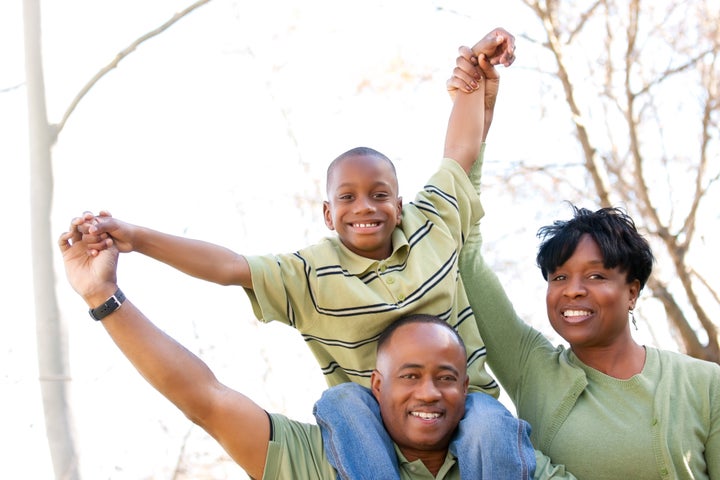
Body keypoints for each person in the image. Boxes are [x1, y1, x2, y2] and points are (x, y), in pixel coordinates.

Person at [74, 28, 539, 479]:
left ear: (399, 206)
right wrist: (138, 240)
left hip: (471, 404)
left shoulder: (431, 223)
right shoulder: (310, 273)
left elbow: (459, 153)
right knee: (342, 404)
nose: (364, 208)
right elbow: (228, 268)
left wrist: (474, 77)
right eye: (348, 198)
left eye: (379, 196)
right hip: (372, 429)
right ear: (326, 213)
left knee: (489, 423)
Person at [57, 226, 572, 479]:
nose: (429, 392)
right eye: (410, 375)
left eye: (446, 376)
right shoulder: (330, 457)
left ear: (467, 386)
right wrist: (105, 299)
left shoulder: (511, 459)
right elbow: (205, 400)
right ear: (377, 384)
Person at [457, 198, 720, 476]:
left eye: (595, 275)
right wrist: (469, 156)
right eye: (558, 278)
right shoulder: (532, 368)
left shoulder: (705, 383)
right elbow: (466, 255)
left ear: (631, 292)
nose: (572, 290)